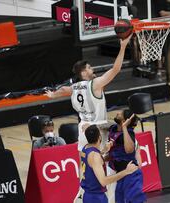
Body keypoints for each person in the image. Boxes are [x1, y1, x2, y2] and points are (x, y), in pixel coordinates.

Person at [45, 35, 132, 201]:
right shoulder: (96, 84)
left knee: (84, 164)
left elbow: (64, 89)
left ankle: (81, 193)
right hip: (96, 129)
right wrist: (122, 47)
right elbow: (115, 70)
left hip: (83, 128)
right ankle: (105, 194)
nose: (93, 70)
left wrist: (52, 95)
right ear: (84, 72)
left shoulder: (75, 86)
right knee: (101, 163)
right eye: (90, 68)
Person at [80, 125, 138, 203]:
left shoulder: (85, 148)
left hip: (88, 196)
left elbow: (92, 162)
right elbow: (104, 181)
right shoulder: (95, 156)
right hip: (96, 198)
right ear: (99, 137)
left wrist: (104, 150)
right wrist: (126, 171)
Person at [108, 109, 146, 203]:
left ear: (124, 121)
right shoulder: (113, 129)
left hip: (131, 174)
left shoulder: (129, 134)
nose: (117, 113)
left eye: (120, 114)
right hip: (121, 174)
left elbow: (129, 150)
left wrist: (124, 127)